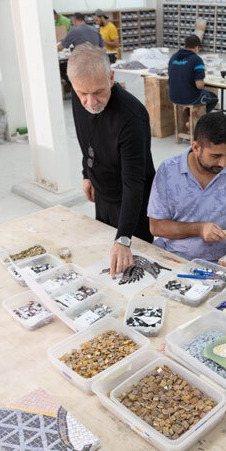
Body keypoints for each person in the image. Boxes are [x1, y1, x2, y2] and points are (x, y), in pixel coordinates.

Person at [68, 44, 155, 277]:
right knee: (106, 264)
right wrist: (87, 174)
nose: (90, 102)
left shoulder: (131, 117)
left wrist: (125, 237)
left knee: (136, 268)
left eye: (98, 92)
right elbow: (86, 138)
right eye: (82, 93)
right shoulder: (82, 97)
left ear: (112, 77)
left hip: (132, 202)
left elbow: (134, 181)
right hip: (102, 193)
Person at [147, 112, 226, 263]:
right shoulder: (168, 171)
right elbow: (156, 227)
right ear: (196, 147)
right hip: (174, 256)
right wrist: (199, 229)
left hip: (223, 261)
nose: (223, 163)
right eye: (216, 156)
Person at [168, 35, 219, 113]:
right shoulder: (197, 60)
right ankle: (195, 121)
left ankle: (189, 117)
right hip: (191, 98)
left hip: (174, 97)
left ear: (185, 45)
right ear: (196, 48)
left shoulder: (173, 57)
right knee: (214, 99)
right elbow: (199, 85)